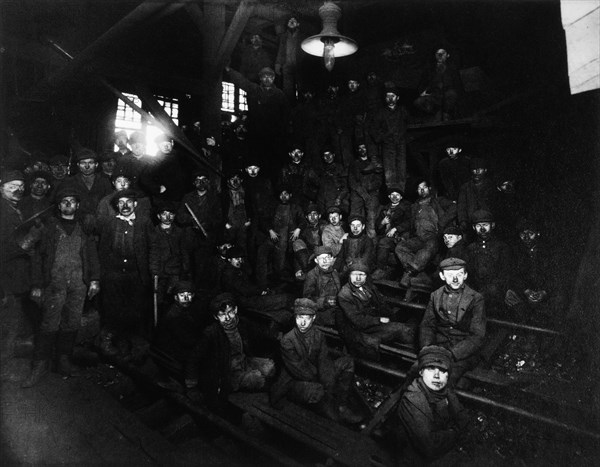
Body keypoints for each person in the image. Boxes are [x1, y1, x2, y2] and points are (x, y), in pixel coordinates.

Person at [23, 188, 101, 387]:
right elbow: (37, 258)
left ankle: (63, 361)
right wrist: (37, 285)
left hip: (78, 284)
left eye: (72, 201)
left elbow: (92, 255)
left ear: (77, 205)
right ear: (58, 205)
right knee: (49, 323)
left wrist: (94, 279)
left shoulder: (84, 228)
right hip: (54, 284)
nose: (68, 204)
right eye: (64, 201)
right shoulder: (49, 228)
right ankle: (39, 366)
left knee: (72, 322)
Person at [270, 298, 363, 424]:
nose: (303, 322)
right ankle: (333, 414)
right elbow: (299, 370)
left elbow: (323, 360)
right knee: (324, 401)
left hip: (316, 377)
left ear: (313, 319)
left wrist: (328, 382)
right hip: (294, 383)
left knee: (347, 362)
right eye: (299, 317)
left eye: (307, 318)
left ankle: (341, 405)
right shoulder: (288, 340)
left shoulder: (318, 335)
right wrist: (324, 384)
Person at [186, 293, 277, 411]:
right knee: (257, 379)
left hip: (244, 361)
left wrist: (277, 337)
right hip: (227, 372)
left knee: (270, 368)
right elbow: (194, 359)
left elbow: (260, 332)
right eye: (222, 315)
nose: (228, 318)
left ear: (236, 310)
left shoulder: (241, 323)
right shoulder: (211, 333)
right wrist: (191, 386)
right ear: (215, 317)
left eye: (230, 312)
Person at [97, 189, 156, 357]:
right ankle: (113, 342)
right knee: (114, 309)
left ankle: (135, 344)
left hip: (136, 275)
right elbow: (102, 250)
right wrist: (103, 275)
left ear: (135, 204)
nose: (125, 206)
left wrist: (152, 272)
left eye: (129, 202)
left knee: (135, 309)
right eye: (121, 203)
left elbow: (152, 248)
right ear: (117, 206)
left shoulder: (144, 222)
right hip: (114, 275)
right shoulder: (110, 223)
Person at [419, 258, 486, 386]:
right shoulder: (435, 295)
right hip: (438, 346)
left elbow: (477, 336)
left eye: (459, 274)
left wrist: (453, 354)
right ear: (442, 276)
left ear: (465, 275)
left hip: (463, 352)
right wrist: (428, 349)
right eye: (450, 275)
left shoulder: (476, 298)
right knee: (417, 371)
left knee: (447, 379)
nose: (455, 279)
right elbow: (427, 326)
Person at [396, 345, 469, 463]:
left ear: (448, 375)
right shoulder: (413, 398)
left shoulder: (446, 393)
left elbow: (464, 419)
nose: (436, 375)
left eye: (442, 370)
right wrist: (454, 432)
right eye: (431, 368)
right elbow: (429, 445)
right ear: (421, 372)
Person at [0, 170, 42, 362]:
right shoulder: (3, 210)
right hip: (6, 276)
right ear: (2, 188)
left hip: (17, 275)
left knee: (15, 319)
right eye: (12, 186)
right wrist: (28, 241)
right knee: (9, 321)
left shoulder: (16, 208)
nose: (17, 190)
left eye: (21, 186)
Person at [336, 261, 413, 360]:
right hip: (357, 328)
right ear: (349, 276)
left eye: (361, 275)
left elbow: (382, 305)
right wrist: (379, 320)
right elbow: (357, 320)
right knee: (399, 330)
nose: (358, 278)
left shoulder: (368, 287)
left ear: (366, 276)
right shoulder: (345, 294)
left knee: (404, 329)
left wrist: (390, 317)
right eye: (355, 275)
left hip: (370, 323)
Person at [225, 64, 289, 178]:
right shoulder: (254, 90)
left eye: (270, 76)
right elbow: (242, 81)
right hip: (256, 136)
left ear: (274, 78)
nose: (267, 79)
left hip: (273, 138)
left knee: (273, 166)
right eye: (264, 76)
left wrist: (282, 136)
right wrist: (229, 70)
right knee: (257, 165)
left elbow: (285, 118)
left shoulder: (280, 95)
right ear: (260, 78)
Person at [395, 180, 456, 288]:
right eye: (419, 188)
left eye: (424, 187)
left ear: (430, 188)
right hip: (418, 238)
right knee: (400, 247)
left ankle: (408, 273)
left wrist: (442, 222)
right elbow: (411, 224)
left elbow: (455, 207)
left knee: (428, 249)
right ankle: (419, 274)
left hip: (435, 237)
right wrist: (404, 235)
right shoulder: (414, 206)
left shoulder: (438, 201)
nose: (422, 190)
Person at [221, 246, 294, 330]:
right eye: (237, 259)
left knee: (280, 293)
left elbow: (248, 286)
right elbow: (245, 290)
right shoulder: (229, 274)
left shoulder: (236, 270)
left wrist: (262, 290)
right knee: (285, 299)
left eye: (241, 258)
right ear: (229, 260)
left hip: (250, 298)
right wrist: (261, 292)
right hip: (246, 301)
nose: (240, 261)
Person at [177, 171, 223, 288]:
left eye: (204, 180)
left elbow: (219, 219)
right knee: (186, 266)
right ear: (193, 183)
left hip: (205, 238)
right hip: (189, 237)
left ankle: (199, 291)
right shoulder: (187, 197)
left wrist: (207, 224)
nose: (201, 183)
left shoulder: (214, 198)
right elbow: (179, 217)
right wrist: (191, 221)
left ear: (208, 182)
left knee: (202, 268)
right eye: (198, 180)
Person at [255, 187, 304, 288]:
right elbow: (263, 220)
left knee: (296, 256)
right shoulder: (273, 207)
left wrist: (298, 229)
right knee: (263, 253)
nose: (283, 196)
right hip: (275, 238)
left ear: (290, 195)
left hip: (291, 239)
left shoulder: (295, 208)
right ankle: (264, 283)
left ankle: (296, 279)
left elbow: (303, 220)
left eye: (286, 194)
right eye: (281, 194)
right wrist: (270, 230)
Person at [466, 209, 512, 314]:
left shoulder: (502, 247)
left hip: (495, 295)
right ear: (474, 228)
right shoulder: (470, 248)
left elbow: (505, 274)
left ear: (492, 225)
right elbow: (466, 273)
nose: (482, 229)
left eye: (485, 225)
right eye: (478, 226)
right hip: (474, 292)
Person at [56, 147, 112, 230]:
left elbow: (109, 204)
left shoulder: (105, 182)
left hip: (100, 226)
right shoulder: (69, 182)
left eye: (90, 162)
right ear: (78, 165)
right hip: (75, 225)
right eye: (83, 163)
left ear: (96, 165)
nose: (87, 166)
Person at [155, 281, 209, 366]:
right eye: (182, 295)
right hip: (172, 357)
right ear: (176, 297)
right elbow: (187, 340)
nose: (186, 298)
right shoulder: (173, 315)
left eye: (189, 295)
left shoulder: (188, 309)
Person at [150, 201, 188, 317]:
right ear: (158, 216)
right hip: (159, 274)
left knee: (174, 302)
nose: (167, 217)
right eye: (164, 214)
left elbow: (184, 254)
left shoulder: (180, 232)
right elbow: (151, 255)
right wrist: (154, 273)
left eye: (171, 214)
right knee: (158, 303)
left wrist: (185, 271)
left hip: (175, 273)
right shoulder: (153, 233)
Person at [369, 81, 409, 190]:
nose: (390, 99)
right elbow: (373, 128)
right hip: (388, 145)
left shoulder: (402, 111)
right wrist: (382, 137)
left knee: (401, 169)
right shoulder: (381, 113)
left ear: (398, 98)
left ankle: (401, 192)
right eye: (388, 96)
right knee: (389, 171)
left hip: (401, 143)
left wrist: (404, 136)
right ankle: (391, 193)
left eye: (393, 96)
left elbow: (408, 124)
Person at [372, 187, 412, 280]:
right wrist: (382, 222)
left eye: (397, 195)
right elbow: (377, 227)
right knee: (373, 241)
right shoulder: (384, 209)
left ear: (401, 197)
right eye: (392, 195)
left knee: (383, 242)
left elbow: (409, 223)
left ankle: (381, 269)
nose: (395, 197)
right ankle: (375, 268)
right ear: (389, 196)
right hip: (385, 234)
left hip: (399, 236)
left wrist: (395, 229)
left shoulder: (405, 208)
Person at [413, 47, 464, 121]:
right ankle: (437, 113)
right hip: (434, 95)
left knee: (452, 94)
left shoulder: (452, 69)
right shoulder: (430, 69)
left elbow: (458, 84)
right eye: (438, 54)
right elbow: (422, 84)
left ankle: (446, 113)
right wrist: (424, 92)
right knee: (418, 102)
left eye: (442, 53)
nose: (440, 55)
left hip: (448, 95)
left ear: (447, 55)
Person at [349, 140, 383, 239]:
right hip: (358, 192)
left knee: (371, 217)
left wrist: (369, 188)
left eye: (364, 147)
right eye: (359, 148)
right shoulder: (354, 163)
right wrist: (362, 192)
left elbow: (379, 180)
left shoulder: (375, 162)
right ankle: (355, 241)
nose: (362, 150)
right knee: (355, 217)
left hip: (372, 193)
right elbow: (352, 181)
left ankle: (371, 242)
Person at [141, 134, 187, 203]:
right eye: (162, 144)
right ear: (158, 146)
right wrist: (157, 188)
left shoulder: (181, 158)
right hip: (162, 198)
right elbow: (144, 178)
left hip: (180, 198)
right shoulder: (155, 161)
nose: (166, 147)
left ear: (172, 143)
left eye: (168, 144)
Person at [457, 158, 498, 236]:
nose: (477, 172)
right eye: (474, 170)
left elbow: (495, 206)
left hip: (487, 223)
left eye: (480, 169)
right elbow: (461, 206)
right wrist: (462, 221)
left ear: (485, 170)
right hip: (470, 223)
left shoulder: (491, 186)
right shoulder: (465, 187)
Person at [303, 246, 341, 326]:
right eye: (321, 258)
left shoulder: (334, 273)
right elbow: (307, 299)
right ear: (316, 260)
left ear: (331, 259)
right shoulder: (312, 275)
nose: (325, 261)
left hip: (336, 308)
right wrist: (324, 302)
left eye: (327, 257)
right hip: (321, 311)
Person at [275, 15, 306, 103]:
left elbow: (305, 52)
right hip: (287, 66)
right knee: (287, 90)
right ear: (287, 24)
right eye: (290, 21)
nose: (292, 22)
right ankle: (290, 110)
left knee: (301, 88)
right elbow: (281, 51)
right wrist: (278, 64)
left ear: (298, 24)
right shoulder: (283, 37)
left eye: (294, 20)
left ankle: (302, 108)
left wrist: (305, 65)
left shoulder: (302, 36)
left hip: (299, 66)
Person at [291, 203, 325, 281]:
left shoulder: (325, 227)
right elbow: (298, 253)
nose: (312, 217)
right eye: (309, 215)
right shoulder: (304, 230)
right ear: (306, 217)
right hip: (309, 258)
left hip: (323, 256)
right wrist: (298, 269)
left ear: (319, 216)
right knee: (297, 243)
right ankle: (307, 272)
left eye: (314, 214)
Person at [316, 147, 349, 216]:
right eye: (325, 155)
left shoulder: (340, 168)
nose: (328, 157)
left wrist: (339, 198)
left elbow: (346, 186)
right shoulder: (321, 170)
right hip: (324, 202)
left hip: (338, 200)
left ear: (333, 155)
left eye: (329, 154)